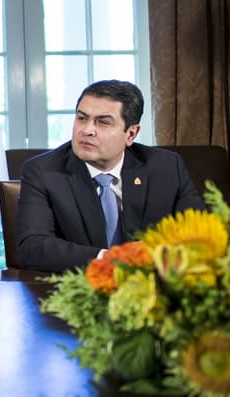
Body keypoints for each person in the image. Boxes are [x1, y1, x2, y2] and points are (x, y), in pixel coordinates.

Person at [16, 79, 205, 272]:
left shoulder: (165, 167)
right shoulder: (43, 171)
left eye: (103, 122)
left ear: (131, 134)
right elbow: (32, 247)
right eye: (82, 118)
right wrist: (111, 258)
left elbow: (200, 234)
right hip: (78, 291)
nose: (87, 130)